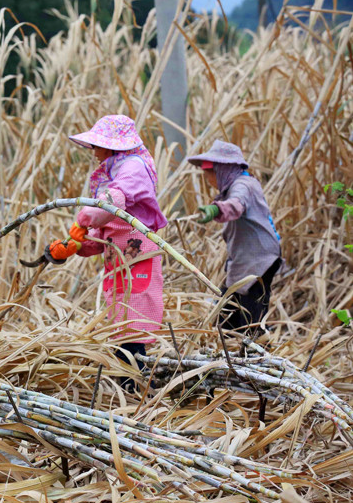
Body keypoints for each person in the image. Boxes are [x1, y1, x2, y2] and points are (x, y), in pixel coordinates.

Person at [48, 115, 168, 372]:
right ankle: (129, 384)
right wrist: (77, 246)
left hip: (138, 263)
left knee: (132, 332)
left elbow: (112, 200)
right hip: (120, 266)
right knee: (122, 331)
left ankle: (134, 390)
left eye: (97, 145)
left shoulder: (133, 167)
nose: (94, 152)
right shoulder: (117, 170)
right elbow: (105, 237)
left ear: (114, 146)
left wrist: (82, 221)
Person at [188, 140, 281, 337]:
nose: (207, 178)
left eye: (209, 171)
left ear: (223, 169)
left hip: (260, 260)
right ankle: (230, 352)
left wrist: (215, 209)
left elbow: (236, 206)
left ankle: (255, 354)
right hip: (246, 260)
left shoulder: (243, 185)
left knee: (251, 317)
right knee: (226, 314)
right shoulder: (235, 186)